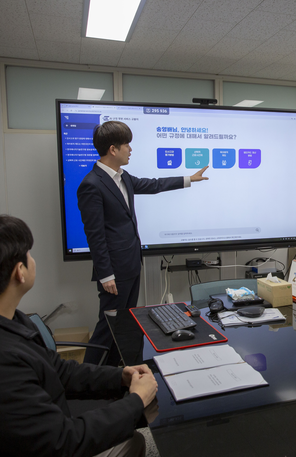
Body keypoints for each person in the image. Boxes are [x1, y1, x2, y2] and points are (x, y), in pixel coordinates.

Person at [0, 213, 158, 457]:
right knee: (133, 441)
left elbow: (58, 370)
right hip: (43, 450)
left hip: (37, 429)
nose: (32, 259)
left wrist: (120, 376)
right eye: (29, 254)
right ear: (20, 272)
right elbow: (62, 443)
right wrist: (136, 401)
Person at [78, 121, 209, 364]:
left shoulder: (122, 177)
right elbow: (94, 235)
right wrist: (106, 275)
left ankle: (119, 370)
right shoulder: (92, 184)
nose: (130, 149)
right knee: (107, 326)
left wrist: (188, 179)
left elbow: (153, 185)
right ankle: (86, 376)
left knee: (126, 325)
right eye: (126, 144)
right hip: (114, 274)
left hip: (130, 265)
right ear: (113, 149)